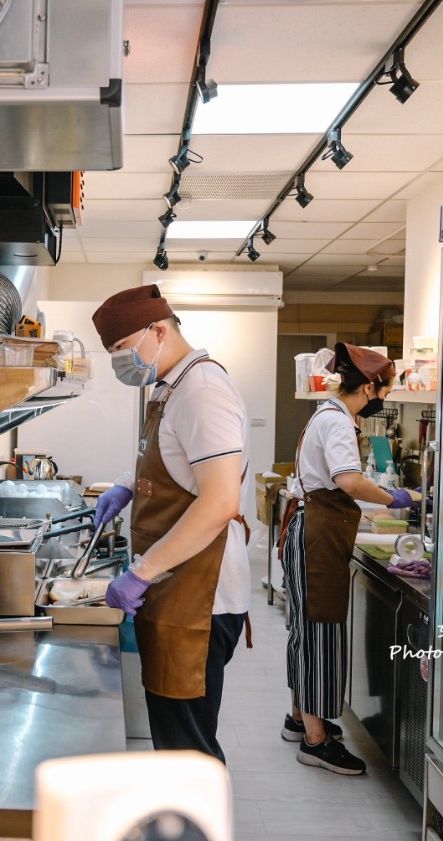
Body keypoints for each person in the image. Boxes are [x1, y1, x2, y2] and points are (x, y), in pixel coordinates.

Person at [89, 284, 251, 764]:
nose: (120, 361)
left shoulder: (202, 392)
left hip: (200, 595)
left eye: (121, 349)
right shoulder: (171, 386)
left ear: (158, 330)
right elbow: (177, 460)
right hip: (175, 583)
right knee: (173, 737)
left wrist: (140, 573)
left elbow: (220, 500)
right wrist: (123, 484)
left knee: (188, 749)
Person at [279, 342, 419, 776]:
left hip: (310, 530)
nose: (386, 397)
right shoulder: (338, 423)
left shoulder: (329, 413)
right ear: (371, 386)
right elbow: (350, 481)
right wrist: (397, 498)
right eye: (386, 389)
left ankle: (300, 717)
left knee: (306, 628)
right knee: (320, 630)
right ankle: (316, 742)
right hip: (317, 536)